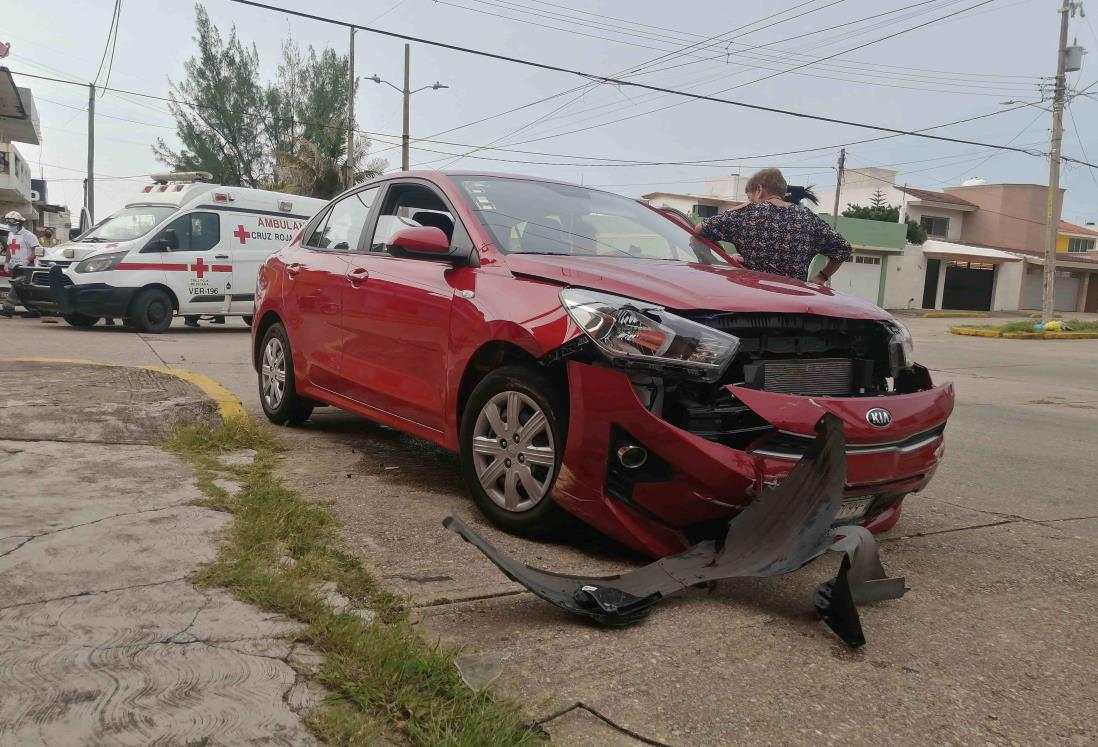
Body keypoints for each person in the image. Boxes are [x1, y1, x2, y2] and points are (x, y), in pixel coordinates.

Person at [695, 168, 851, 285]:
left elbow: (699, 230)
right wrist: (821, 277)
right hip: (794, 308)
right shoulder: (808, 218)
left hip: (752, 304)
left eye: (749, 198)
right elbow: (843, 248)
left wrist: (742, 207)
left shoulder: (744, 215)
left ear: (759, 189)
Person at [1, 211, 41, 318]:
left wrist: (27, 261)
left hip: (27, 267)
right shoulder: (10, 234)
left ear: (19, 224)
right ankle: (34, 310)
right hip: (15, 267)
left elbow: (36, 250)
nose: (11, 227)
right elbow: (9, 249)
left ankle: (8, 308)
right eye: (9, 224)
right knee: (24, 290)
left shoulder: (28, 235)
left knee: (17, 285)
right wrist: (6, 262)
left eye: (13, 225)